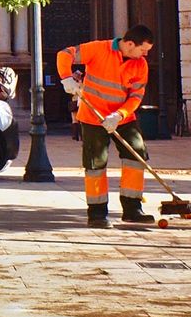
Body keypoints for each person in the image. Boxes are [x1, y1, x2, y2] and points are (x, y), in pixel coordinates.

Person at [57, 24, 155, 228]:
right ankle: (97, 214)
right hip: (93, 117)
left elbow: (136, 96)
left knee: (137, 154)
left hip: (122, 119)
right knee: (95, 164)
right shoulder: (98, 49)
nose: (145, 54)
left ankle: (132, 209)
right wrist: (66, 77)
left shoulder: (140, 65)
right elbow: (65, 53)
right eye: (143, 49)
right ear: (129, 44)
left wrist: (119, 115)